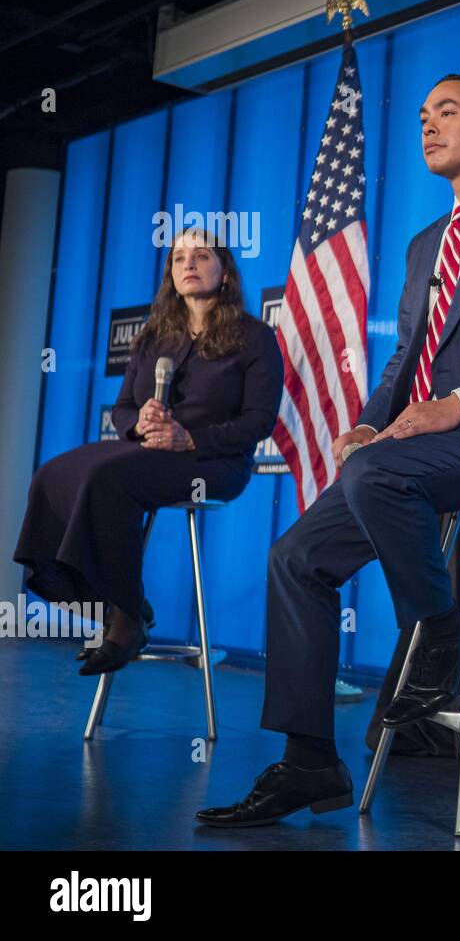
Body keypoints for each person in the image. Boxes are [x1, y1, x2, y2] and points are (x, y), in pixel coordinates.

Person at [195, 73, 460, 827]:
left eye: (447, 111)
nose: (428, 126)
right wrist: (370, 422)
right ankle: (310, 760)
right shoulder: (424, 245)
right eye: (421, 116)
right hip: (412, 454)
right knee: (295, 556)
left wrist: (454, 406)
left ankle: (440, 629)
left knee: (375, 474)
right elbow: (401, 364)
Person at [12, 228, 284, 676]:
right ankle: (118, 603)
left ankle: (127, 620)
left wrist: (189, 438)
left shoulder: (254, 338)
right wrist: (137, 423)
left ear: (225, 271)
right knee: (53, 473)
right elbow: (122, 410)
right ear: (170, 274)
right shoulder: (153, 337)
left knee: (107, 479)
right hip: (149, 453)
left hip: (213, 464)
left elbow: (259, 422)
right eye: (179, 259)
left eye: (200, 256)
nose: (189, 265)